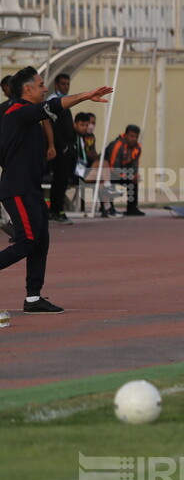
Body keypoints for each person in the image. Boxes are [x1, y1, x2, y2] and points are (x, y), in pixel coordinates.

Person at [0, 67, 111, 313]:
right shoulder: (18, 111)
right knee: (27, 241)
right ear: (27, 89)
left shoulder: (17, 114)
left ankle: (33, 299)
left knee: (41, 242)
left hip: (32, 189)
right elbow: (55, 106)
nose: (45, 88)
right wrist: (84, 96)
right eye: (41, 85)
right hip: (17, 189)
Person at [45, 73, 75, 225]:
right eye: (63, 84)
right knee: (59, 179)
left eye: (67, 84)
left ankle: (56, 210)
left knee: (63, 179)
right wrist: (61, 146)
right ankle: (56, 210)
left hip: (66, 149)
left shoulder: (66, 101)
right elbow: (52, 127)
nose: (66, 86)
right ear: (56, 85)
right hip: (58, 149)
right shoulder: (52, 101)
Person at [102, 124, 144, 216]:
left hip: (121, 172)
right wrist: (128, 175)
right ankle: (108, 207)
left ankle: (132, 207)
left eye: (136, 136)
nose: (134, 139)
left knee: (134, 181)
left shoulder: (137, 148)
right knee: (110, 179)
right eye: (132, 136)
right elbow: (113, 168)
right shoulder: (117, 146)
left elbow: (134, 165)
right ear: (126, 135)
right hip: (107, 172)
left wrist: (135, 174)